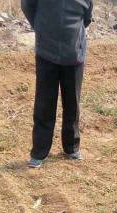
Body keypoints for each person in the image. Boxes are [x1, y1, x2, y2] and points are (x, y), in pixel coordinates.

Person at [21, 0, 93, 168]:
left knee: (72, 103)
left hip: (74, 53)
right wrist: (41, 26)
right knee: (44, 103)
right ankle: (39, 152)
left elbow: (87, 17)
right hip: (46, 52)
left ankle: (71, 148)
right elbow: (27, 6)